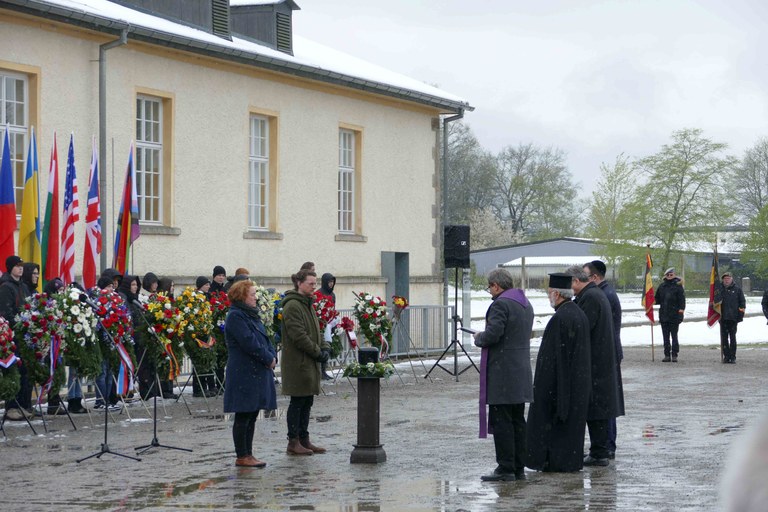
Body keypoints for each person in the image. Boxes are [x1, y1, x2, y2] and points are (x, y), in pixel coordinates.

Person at [526, 272, 591, 472]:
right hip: (577, 382)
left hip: (562, 384)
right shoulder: (577, 313)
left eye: (549, 293)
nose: (549, 297)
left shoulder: (561, 318)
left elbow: (550, 360)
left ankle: (555, 460)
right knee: (572, 427)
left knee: (557, 425)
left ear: (556, 294)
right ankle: (568, 460)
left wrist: (543, 387)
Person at [473, 268, 534, 482]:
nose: (490, 291)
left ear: (496, 286)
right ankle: (518, 466)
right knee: (518, 421)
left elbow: (494, 334)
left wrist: (480, 337)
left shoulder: (500, 304)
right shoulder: (525, 303)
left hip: (503, 373)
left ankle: (505, 467)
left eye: (490, 287)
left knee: (502, 422)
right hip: (520, 371)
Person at [567, 265, 620, 467]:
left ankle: (599, 452)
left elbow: (582, 328)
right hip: (600, 359)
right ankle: (599, 450)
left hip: (596, 362)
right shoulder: (595, 294)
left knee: (596, 409)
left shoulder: (590, 297)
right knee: (597, 408)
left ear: (576, 281)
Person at [223, 279, 277, 467]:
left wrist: (272, 355)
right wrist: (267, 358)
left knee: (252, 413)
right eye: (252, 294)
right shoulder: (236, 316)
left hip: (256, 370)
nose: (256, 298)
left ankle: (249, 453)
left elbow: (264, 338)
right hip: (243, 371)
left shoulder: (251, 315)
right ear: (242, 296)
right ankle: (242, 455)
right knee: (243, 414)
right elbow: (249, 343)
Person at [280, 269, 330, 456]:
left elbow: (317, 329)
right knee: (298, 400)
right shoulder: (293, 305)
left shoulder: (308, 304)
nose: (314, 286)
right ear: (299, 283)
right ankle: (293, 441)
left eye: (315, 283)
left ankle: (304, 438)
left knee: (307, 400)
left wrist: (324, 347)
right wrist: (318, 352)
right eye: (310, 283)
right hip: (298, 362)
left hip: (309, 361)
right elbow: (298, 335)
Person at [584, 260, 625, 459]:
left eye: (585, 275)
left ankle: (607, 445)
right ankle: (607, 444)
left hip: (607, 353)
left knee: (605, 401)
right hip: (610, 351)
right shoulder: (605, 293)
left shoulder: (603, 295)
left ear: (595, 277)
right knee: (607, 400)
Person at [0, 256, 33, 420]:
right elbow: (6, 312)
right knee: (13, 370)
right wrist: (20, 325)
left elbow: (28, 306)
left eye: (22, 265)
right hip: (13, 336)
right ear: (10, 268)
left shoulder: (24, 287)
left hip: (25, 335)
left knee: (24, 371)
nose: (21, 268)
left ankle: (23, 404)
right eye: (17, 266)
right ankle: (12, 406)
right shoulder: (6, 287)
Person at [93, 276, 121, 411]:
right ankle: (100, 401)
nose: (111, 289)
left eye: (112, 286)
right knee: (102, 373)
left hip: (111, 340)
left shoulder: (115, 301)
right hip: (100, 341)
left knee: (110, 373)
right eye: (108, 286)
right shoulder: (97, 301)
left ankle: (108, 400)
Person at [655, 268, 686, 362]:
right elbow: (657, 300)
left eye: (671, 275)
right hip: (664, 315)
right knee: (665, 337)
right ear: (665, 276)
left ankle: (675, 354)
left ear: (674, 275)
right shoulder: (662, 286)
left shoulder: (678, 286)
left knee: (674, 336)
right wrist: (649, 300)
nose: (669, 276)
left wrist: (680, 314)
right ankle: (667, 355)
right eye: (667, 275)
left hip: (674, 315)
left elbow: (682, 302)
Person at [715, 272, 746, 364]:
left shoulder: (737, 290)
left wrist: (740, 316)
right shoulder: (719, 290)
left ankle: (733, 356)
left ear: (731, 279)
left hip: (733, 318)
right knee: (724, 338)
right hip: (723, 318)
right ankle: (726, 356)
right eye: (725, 278)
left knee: (732, 338)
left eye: (728, 278)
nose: (726, 280)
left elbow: (742, 303)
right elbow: (715, 302)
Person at [318, 272, 337, 380]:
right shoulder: (319, 293)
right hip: (321, 323)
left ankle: (324, 370)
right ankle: (320, 370)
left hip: (329, 323)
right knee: (322, 347)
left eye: (332, 282)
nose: (331, 284)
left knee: (328, 347)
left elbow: (333, 308)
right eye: (329, 282)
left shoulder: (332, 294)